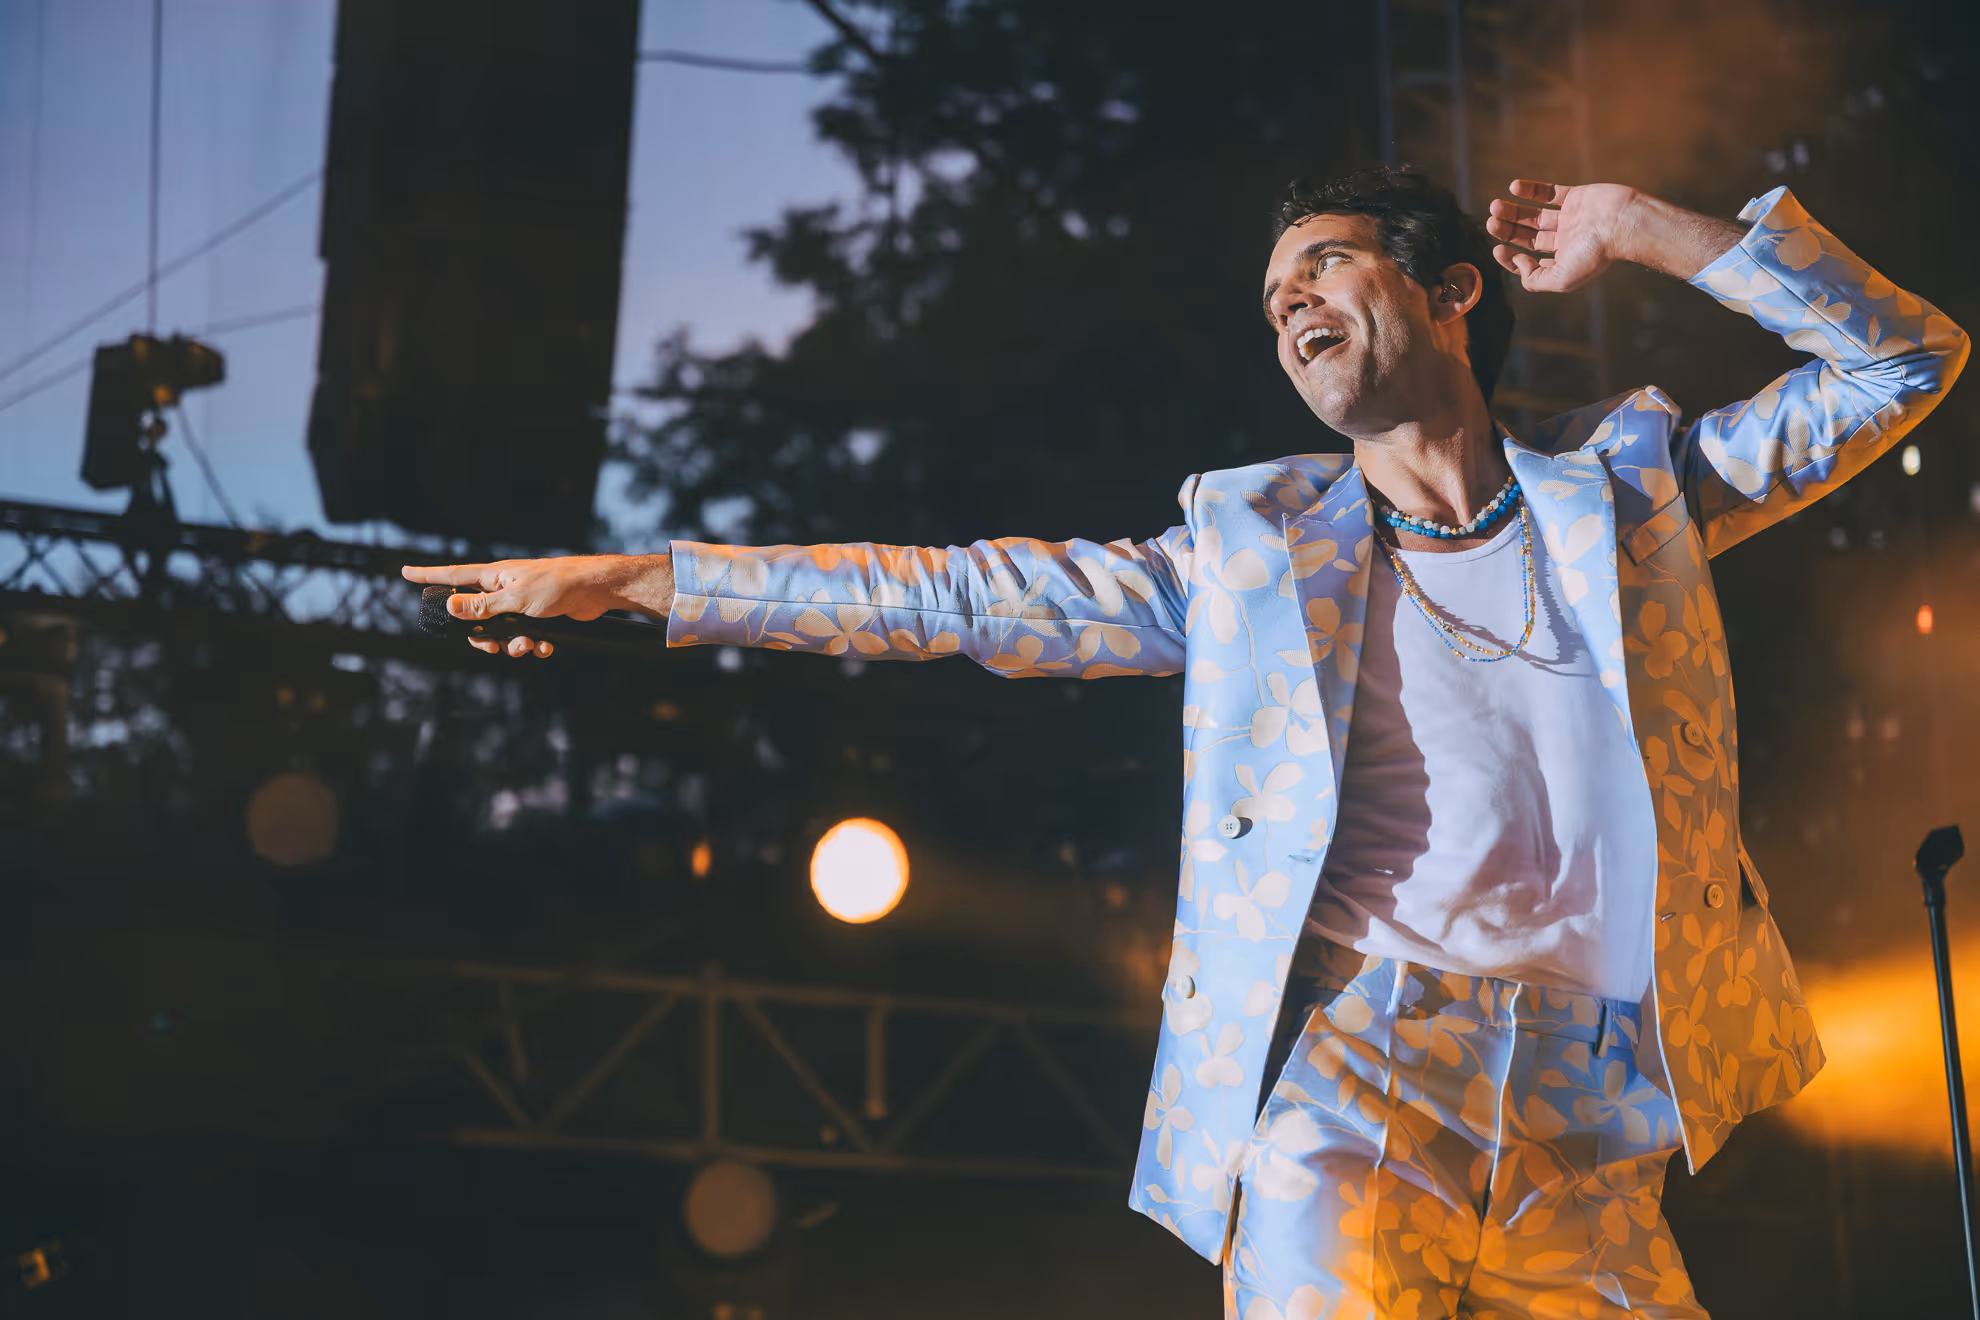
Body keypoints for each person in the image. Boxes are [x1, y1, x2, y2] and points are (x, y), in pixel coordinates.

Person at [405, 166, 1967, 1318]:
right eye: (1273, 298)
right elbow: (953, 595)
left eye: (1326, 265)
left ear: (1451, 291)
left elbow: (1906, 360)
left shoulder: (1634, 501)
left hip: (1597, 1121)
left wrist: (1640, 228)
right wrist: (647, 583)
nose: (1289, 302)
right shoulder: (1245, 558)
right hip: (1363, 1087)